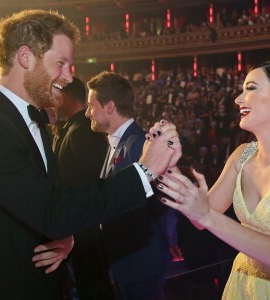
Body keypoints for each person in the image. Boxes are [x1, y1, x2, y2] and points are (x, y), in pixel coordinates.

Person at [0, 9, 181, 300]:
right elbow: (51, 211)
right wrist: (144, 171)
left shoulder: (35, 122)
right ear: (25, 58)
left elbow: (41, 203)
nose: (70, 77)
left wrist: (63, 235)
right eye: (62, 63)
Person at [156, 60, 270, 299]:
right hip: (241, 285)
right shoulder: (241, 156)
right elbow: (201, 217)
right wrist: (168, 164)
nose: (238, 99)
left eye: (250, 88)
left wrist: (206, 215)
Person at [86, 71, 176, 300]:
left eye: (91, 106)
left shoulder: (138, 146)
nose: (87, 113)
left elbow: (159, 204)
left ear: (109, 106)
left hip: (141, 264)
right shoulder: (117, 143)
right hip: (125, 263)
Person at [53, 76, 113, 299]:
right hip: (80, 230)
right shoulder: (73, 129)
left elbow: (95, 181)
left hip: (86, 232)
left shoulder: (82, 132)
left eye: (56, 96)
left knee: (94, 287)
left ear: (66, 98)